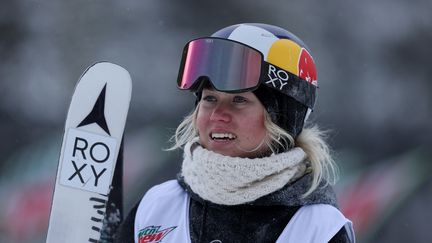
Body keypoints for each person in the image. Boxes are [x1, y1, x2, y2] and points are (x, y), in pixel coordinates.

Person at [115, 23, 355, 243]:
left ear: (282, 119)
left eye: (239, 100)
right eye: (209, 99)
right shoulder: (156, 207)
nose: (218, 114)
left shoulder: (318, 229)